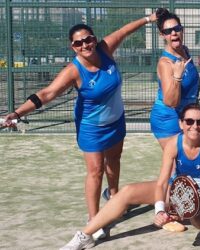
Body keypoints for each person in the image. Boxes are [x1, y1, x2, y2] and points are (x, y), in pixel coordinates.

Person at [1, 13, 157, 239]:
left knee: (114, 160)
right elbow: (47, 93)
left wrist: (149, 18)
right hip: (91, 127)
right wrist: (17, 112)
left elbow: (124, 31)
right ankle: (94, 220)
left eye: (88, 39)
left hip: (116, 121)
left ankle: (115, 198)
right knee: (96, 171)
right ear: (72, 47)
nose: (85, 44)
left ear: (94, 39)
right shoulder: (73, 71)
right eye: (78, 42)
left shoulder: (104, 49)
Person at [60, 103, 200, 249]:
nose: (194, 126)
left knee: (199, 221)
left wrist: (179, 209)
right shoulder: (173, 144)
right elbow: (162, 183)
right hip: (178, 192)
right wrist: (160, 211)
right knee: (127, 192)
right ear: (181, 123)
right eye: (189, 121)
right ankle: (84, 235)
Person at [150, 8, 199, 150]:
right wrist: (177, 77)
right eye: (167, 31)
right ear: (162, 35)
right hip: (168, 118)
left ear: (182, 30)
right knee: (175, 165)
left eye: (177, 28)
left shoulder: (185, 51)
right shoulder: (165, 63)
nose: (173, 33)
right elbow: (171, 101)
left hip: (185, 115)